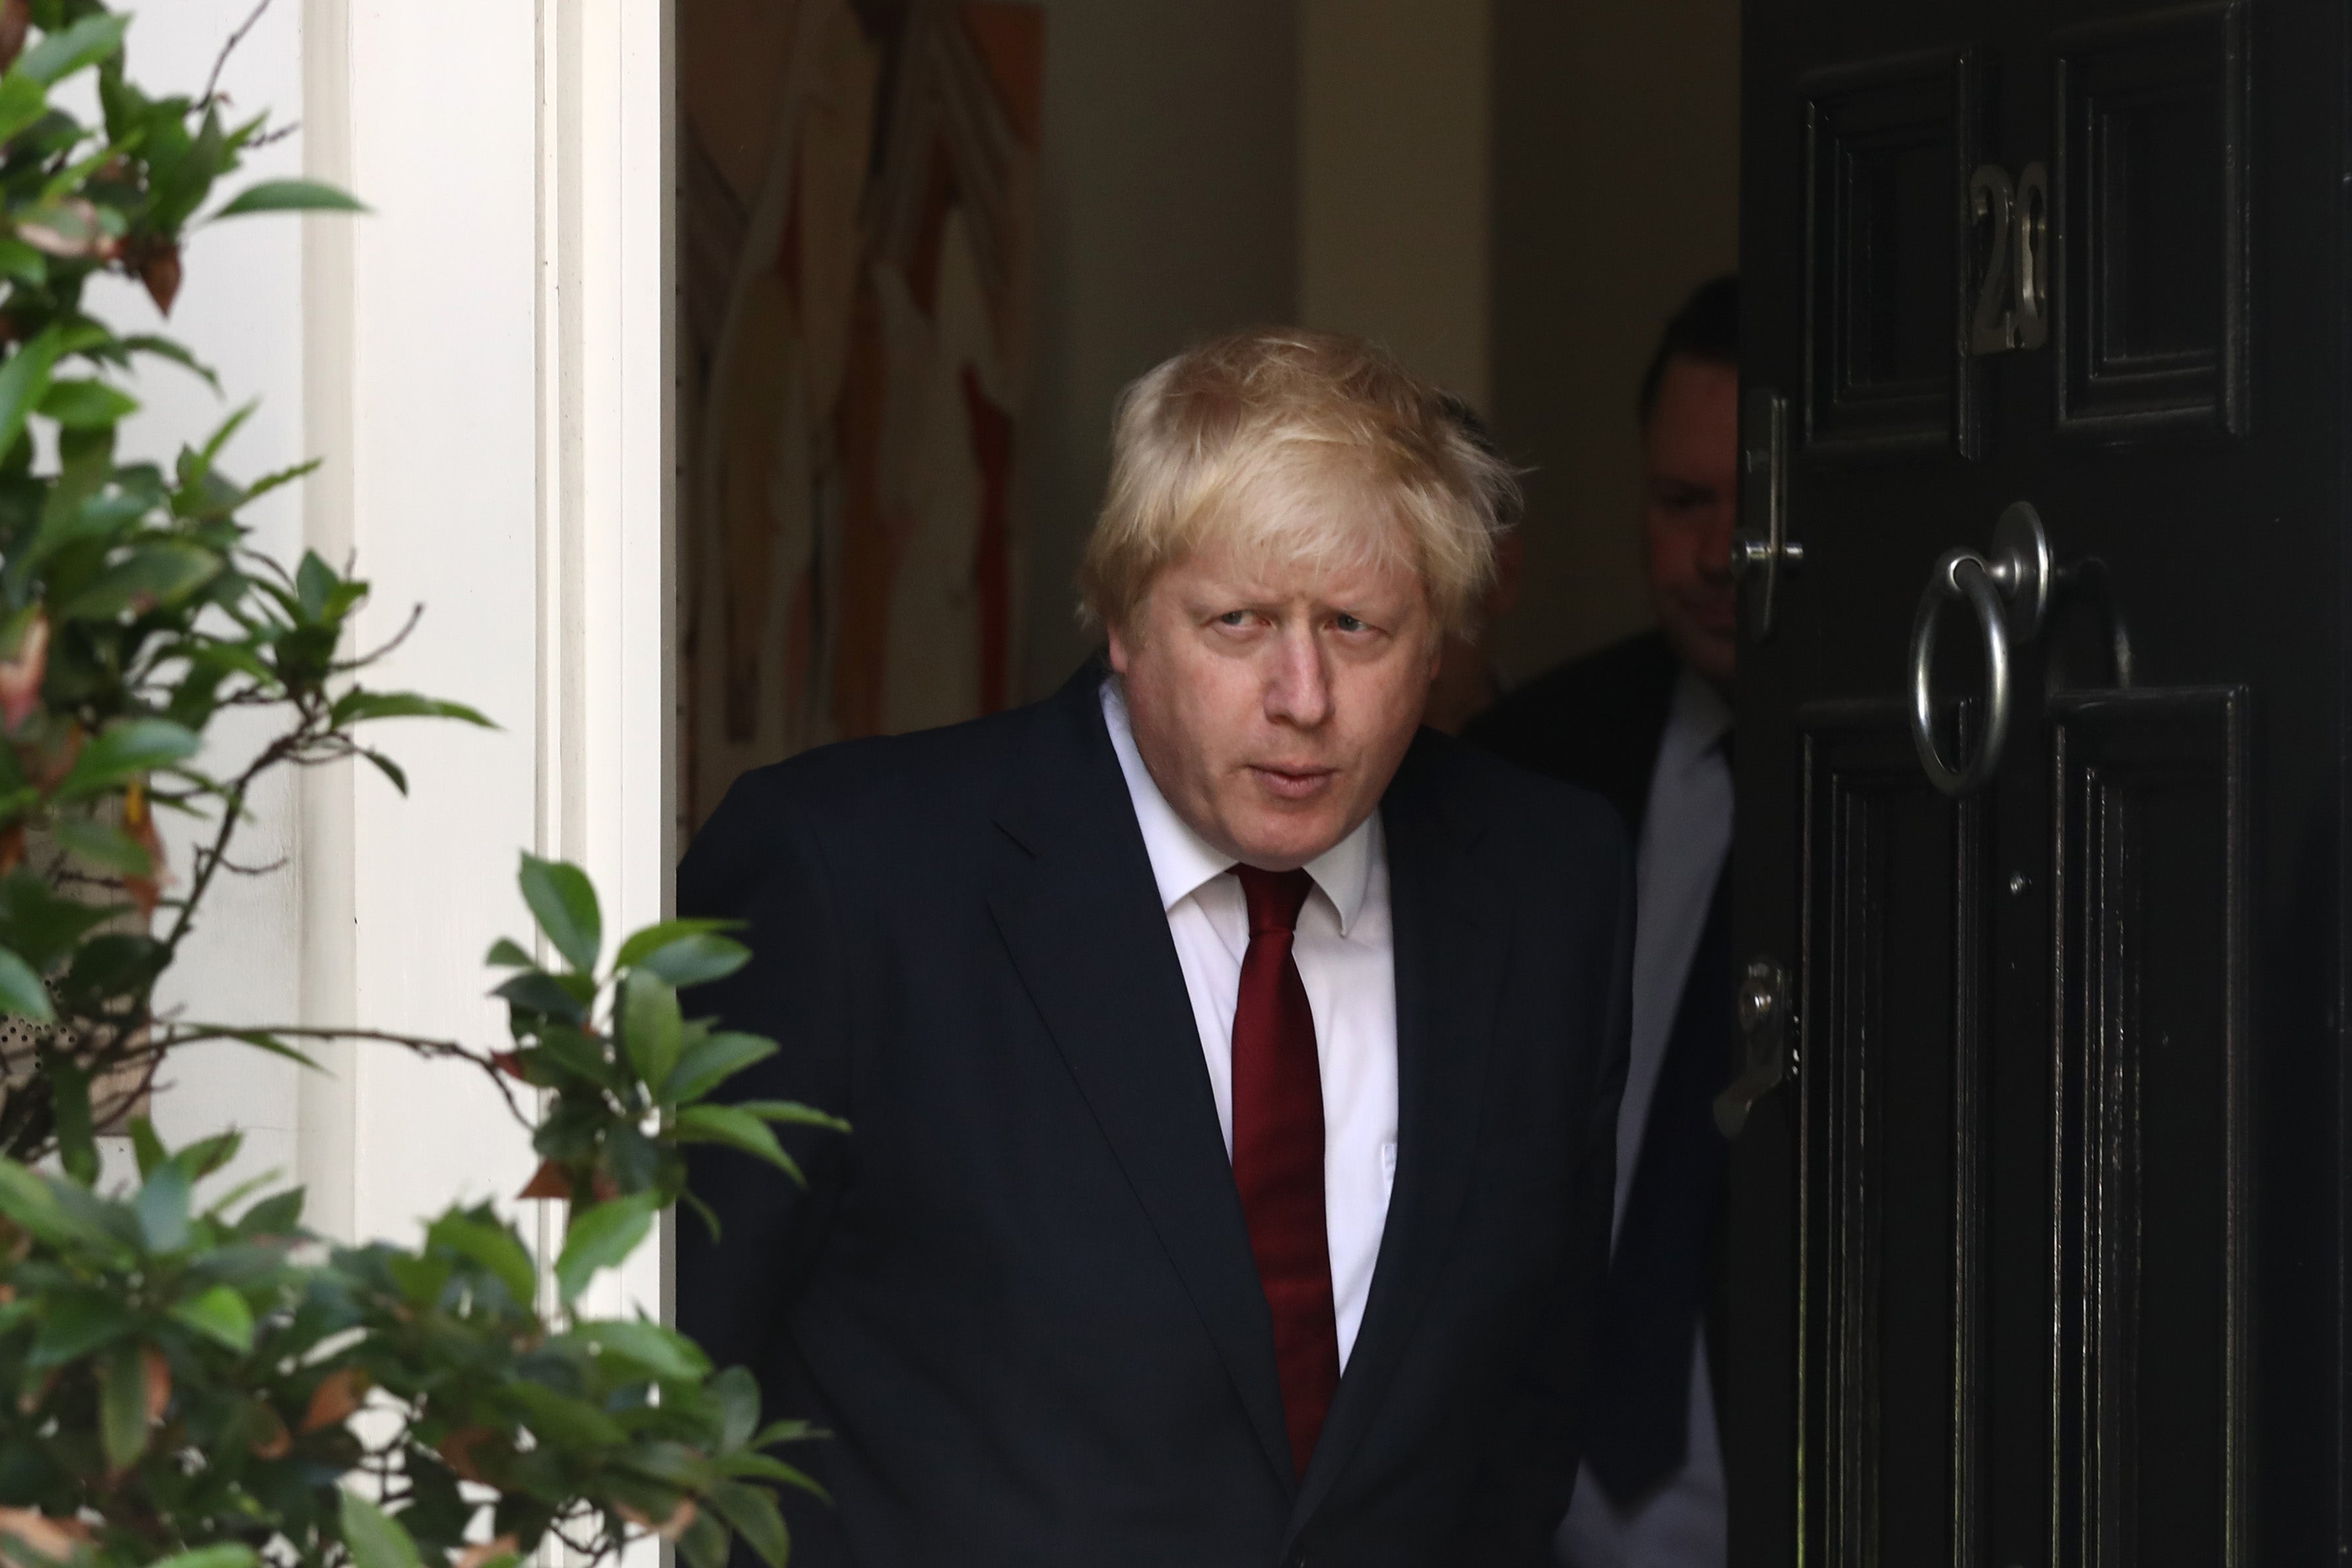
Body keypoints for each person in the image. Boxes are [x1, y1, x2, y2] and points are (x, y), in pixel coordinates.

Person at [677, 327, 1634, 1567]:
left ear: (1441, 639)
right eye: (1238, 622)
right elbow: (668, 1396)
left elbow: (1524, 1414)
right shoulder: (849, 881)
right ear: (1124, 618)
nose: (1302, 696)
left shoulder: (1548, 881)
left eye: (1357, 627)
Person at [1466, 275, 1740, 1568]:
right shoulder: (1536, 760)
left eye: (1761, 503)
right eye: (1686, 503)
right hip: (1518, 1502)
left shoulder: (1948, 791)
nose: (1725, 552)